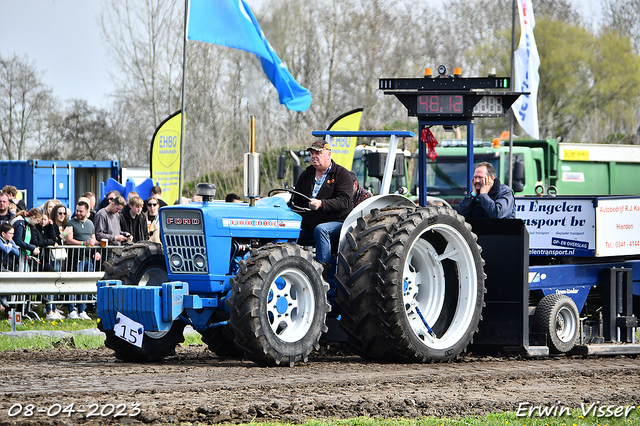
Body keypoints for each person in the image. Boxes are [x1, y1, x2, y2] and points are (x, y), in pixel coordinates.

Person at [292, 139, 352, 266]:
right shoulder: (306, 175)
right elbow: (295, 201)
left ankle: (322, 269)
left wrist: (321, 204)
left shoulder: (341, 174)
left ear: (329, 154)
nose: (314, 156)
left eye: (318, 153)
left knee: (321, 230)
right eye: (312, 153)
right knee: (289, 229)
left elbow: (345, 201)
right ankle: (290, 265)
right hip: (309, 223)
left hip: (337, 222)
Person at [64, 200, 100, 320]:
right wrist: (84, 243)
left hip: (88, 257)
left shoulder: (90, 224)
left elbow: (93, 239)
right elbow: (69, 240)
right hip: (76, 257)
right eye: (77, 210)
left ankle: (82, 309)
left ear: (87, 211)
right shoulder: (70, 222)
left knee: (85, 283)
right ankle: (71, 309)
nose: (78, 213)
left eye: (81, 211)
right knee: (73, 283)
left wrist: (96, 248)